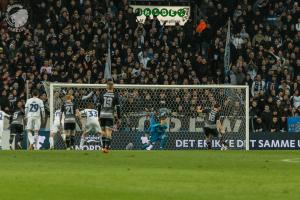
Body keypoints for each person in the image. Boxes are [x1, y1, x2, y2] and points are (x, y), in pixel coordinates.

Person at [98, 80, 121, 153]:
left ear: (106, 87)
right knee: (109, 131)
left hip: (102, 115)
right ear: (113, 87)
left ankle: (103, 147)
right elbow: (118, 107)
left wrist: (98, 116)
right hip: (110, 115)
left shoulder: (102, 95)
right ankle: (107, 148)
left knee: (103, 131)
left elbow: (99, 106)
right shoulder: (115, 95)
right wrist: (119, 117)